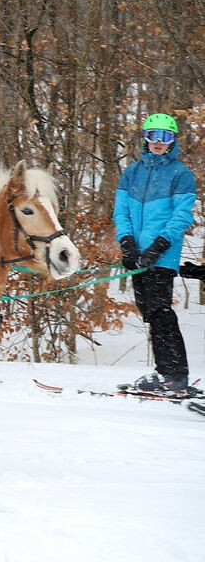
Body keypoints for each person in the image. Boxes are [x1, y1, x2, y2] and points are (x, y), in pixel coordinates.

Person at [113, 112, 197, 394]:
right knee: (149, 312)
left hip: (162, 257)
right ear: (145, 138)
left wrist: (158, 246)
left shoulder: (181, 174)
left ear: (173, 141)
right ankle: (164, 372)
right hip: (137, 256)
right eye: (153, 135)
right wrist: (127, 243)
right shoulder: (131, 172)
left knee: (161, 313)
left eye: (165, 136)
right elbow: (121, 211)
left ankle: (175, 375)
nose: (158, 142)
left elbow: (182, 216)